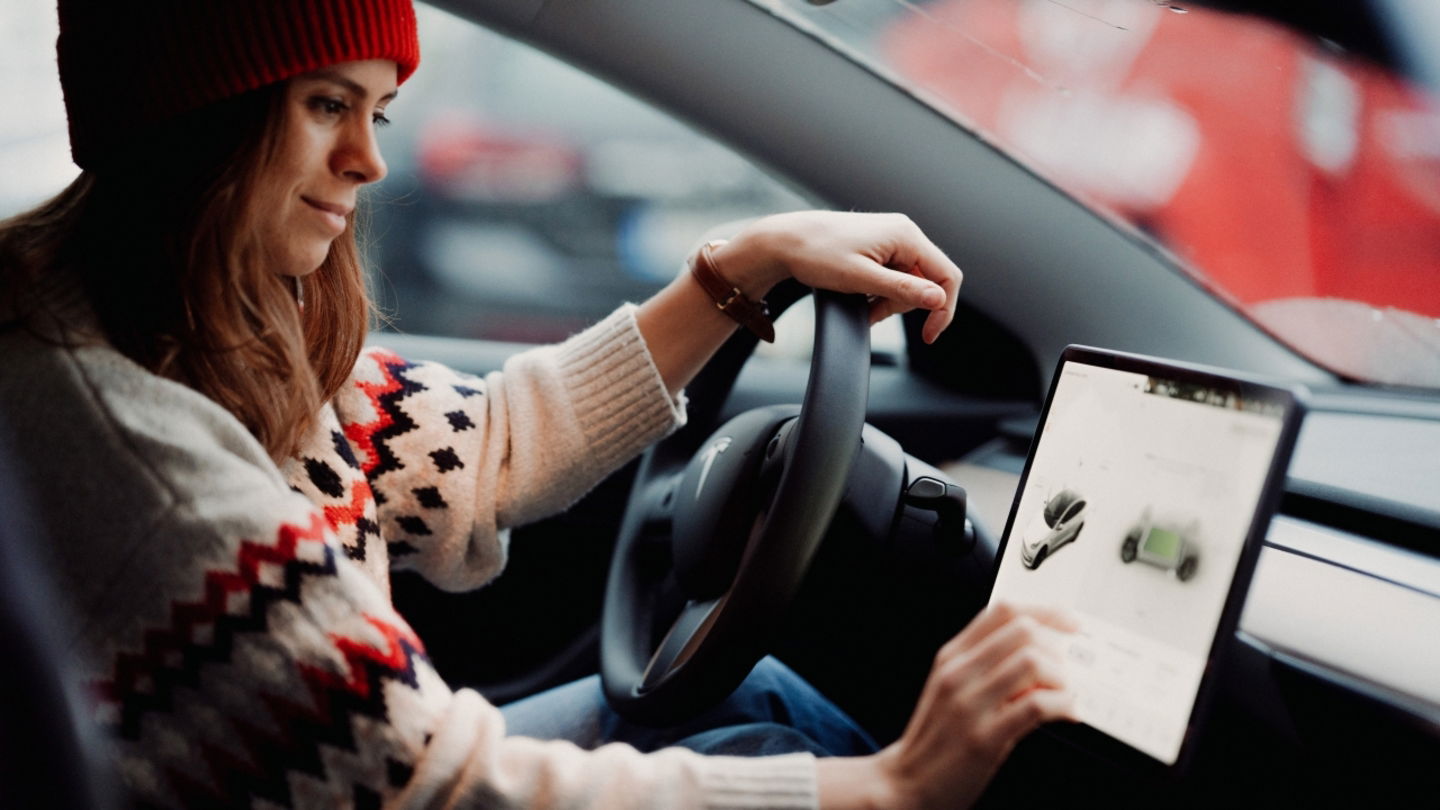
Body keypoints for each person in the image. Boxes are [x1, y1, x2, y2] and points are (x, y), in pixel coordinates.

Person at [0, 1, 1076, 807]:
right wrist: (895, 789)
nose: (369, 159)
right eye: (328, 104)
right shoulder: (137, 453)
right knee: (787, 758)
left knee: (765, 706)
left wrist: (734, 270)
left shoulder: (184, 327)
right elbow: (441, 789)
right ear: (198, 117)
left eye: (378, 111)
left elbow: (485, 452)